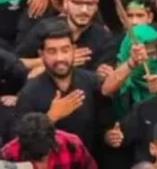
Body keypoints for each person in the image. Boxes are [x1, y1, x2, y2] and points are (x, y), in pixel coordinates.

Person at [15, 20, 104, 151]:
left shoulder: (90, 81)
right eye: (52, 51)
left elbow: (107, 98)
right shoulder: (29, 94)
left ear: (73, 50)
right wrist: (50, 117)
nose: (60, 58)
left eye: (65, 50)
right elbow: (20, 144)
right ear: (41, 54)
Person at [1, 112, 96, 169]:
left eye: (43, 158)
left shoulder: (72, 144)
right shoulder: (9, 154)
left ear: (53, 142)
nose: (40, 167)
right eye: (34, 160)